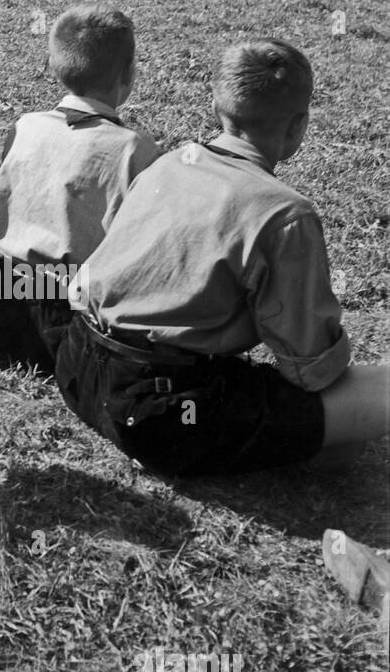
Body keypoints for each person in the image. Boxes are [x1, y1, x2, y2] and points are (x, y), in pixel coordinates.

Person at [55, 39, 390, 476]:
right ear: (299, 126)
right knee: (376, 397)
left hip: (77, 368)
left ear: (217, 107)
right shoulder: (285, 214)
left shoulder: (168, 161)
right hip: (169, 415)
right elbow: (313, 371)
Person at [0, 7, 159, 373]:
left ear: (53, 66)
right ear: (128, 75)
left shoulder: (25, 126)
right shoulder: (134, 150)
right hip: (71, 318)